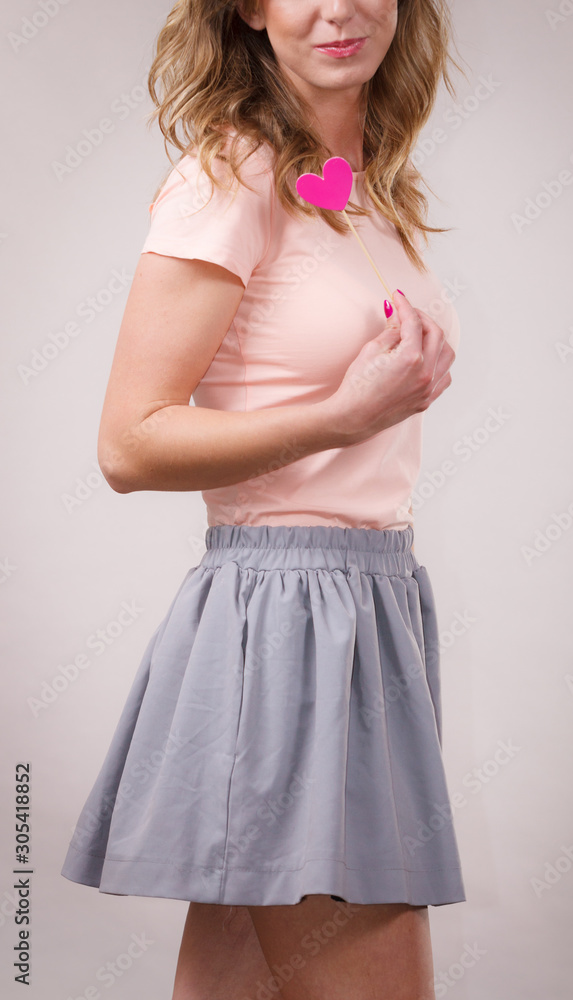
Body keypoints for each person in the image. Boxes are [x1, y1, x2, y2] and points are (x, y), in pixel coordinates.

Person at [60, 1, 468, 997]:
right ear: (249, 7)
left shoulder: (373, 189)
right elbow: (128, 442)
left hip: (371, 608)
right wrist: (340, 416)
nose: (339, 9)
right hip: (286, 627)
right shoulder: (230, 175)